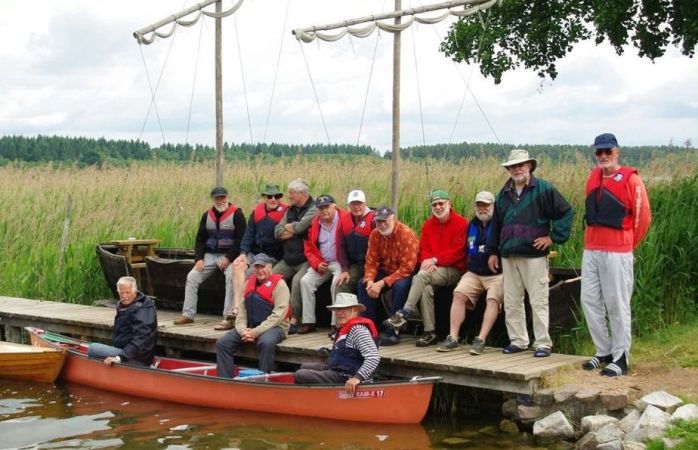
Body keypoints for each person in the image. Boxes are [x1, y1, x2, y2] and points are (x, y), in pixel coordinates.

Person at [487, 149, 574, 357]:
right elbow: (496, 224)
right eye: (513, 166)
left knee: (538, 300)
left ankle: (543, 343)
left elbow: (566, 212)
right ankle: (518, 340)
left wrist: (552, 237)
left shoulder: (543, 189)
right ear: (508, 169)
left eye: (521, 165)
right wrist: (492, 251)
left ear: (529, 166)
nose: (517, 169)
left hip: (534, 255)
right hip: (508, 255)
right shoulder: (503, 194)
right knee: (512, 300)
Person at [580, 133, 652, 377]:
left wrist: (629, 246)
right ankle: (604, 350)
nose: (603, 156)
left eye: (607, 151)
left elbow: (643, 218)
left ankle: (621, 356)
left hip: (617, 251)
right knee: (589, 300)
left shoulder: (632, 180)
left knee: (616, 303)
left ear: (617, 152)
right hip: (592, 249)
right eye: (599, 152)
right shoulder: (593, 177)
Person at [384, 190, 467, 347]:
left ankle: (404, 313)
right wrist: (427, 261)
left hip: (454, 269)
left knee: (421, 276)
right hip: (434, 271)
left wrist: (434, 260)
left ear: (449, 204)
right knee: (425, 288)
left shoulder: (461, 223)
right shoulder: (428, 225)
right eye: (434, 205)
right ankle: (430, 332)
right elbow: (423, 249)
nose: (438, 207)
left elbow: (458, 251)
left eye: (441, 203)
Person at [437, 191, 504, 355]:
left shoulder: (501, 224)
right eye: (479, 205)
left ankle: (481, 339)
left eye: (486, 205)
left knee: (492, 299)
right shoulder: (472, 224)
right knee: (458, 293)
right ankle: (453, 337)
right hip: (474, 272)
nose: (482, 208)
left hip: (497, 273)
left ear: (493, 206)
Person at [174, 187, 246, 328]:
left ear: (227, 198)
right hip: (210, 255)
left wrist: (228, 258)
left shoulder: (237, 214)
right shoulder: (206, 215)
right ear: (212, 200)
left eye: (222, 198)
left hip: (231, 256)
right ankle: (188, 314)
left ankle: (228, 316)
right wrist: (199, 259)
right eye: (217, 198)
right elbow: (200, 239)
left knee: (231, 277)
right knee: (192, 277)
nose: (220, 201)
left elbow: (240, 240)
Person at [224, 184, 288, 331]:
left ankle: (241, 316)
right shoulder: (256, 212)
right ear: (264, 197)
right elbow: (248, 235)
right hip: (254, 253)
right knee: (237, 266)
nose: (273, 199)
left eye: (277, 196)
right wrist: (243, 253)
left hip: (272, 256)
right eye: (269, 196)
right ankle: (235, 310)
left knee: (250, 275)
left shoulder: (286, 212)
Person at [216, 253, 291, 377]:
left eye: (263, 267)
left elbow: (278, 315)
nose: (260, 270)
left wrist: (255, 332)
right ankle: (225, 380)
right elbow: (241, 310)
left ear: (270, 267)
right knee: (223, 343)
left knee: (266, 343)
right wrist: (242, 330)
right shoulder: (248, 283)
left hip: (275, 327)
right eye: (257, 267)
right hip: (250, 326)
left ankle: (263, 379)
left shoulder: (280, 285)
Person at [295, 293, 380, 395]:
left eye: (344, 309)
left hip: (347, 377)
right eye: (338, 309)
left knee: (300, 375)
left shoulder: (358, 330)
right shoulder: (345, 329)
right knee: (304, 366)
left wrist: (357, 378)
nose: (339, 313)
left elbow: (374, 357)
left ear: (355, 311)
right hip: (340, 371)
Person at [358, 206, 419, 346]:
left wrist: (382, 283)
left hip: (405, 273)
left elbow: (407, 268)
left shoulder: (406, 234)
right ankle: (369, 330)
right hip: (385, 270)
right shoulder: (375, 234)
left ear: (393, 219)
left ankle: (393, 332)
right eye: (378, 221)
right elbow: (371, 262)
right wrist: (370, 281)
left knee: (400, 287)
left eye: (384, 221)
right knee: (363, 284)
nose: (381, 224)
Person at [298, 195, 350, 334]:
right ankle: (308, 321)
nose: (324, 211)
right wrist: (317, 263)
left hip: (339, 261)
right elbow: (308, 248)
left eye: (327, 207)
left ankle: (336, 324)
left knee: (336, 283)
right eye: (321, 208)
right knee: (305, 281)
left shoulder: (345, 218)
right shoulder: (315, 223)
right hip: (322, 261)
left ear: (334, 206)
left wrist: (346, 264)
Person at [272, 178, 318, 333]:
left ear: (301, 194)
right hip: (288, 259)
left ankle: (294, 319)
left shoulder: (314, 208)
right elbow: (277, 232)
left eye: (291, 193)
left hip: (305, 259)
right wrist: (294, 230)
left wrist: (293, 229)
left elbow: (301, 227)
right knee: (271, 278)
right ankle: (273, 315)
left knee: (298, 281)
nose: (288, 196)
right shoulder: (290, 209)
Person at [87, 276, 157, 366]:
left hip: (136, 357)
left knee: (92, 348)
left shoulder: (143, 309)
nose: (124, 296)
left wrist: (119, 358)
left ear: (135, 291)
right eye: (121, 293)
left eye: (127, 292)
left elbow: (141, 338)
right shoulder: (124, 304)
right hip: (125, 350)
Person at [337, 189, 375, 295]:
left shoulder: (374, 220)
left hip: (374, 265)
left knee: (364, 284)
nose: (356, 207)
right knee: (342, 283)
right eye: (353, 204)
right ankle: (343, 307)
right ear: (349, 205)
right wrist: (344, 269)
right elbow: (342, 247)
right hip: (356, 265)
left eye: (359, 203)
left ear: (365, 203)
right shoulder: (344, 220)